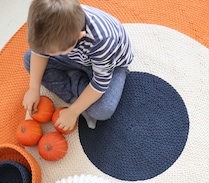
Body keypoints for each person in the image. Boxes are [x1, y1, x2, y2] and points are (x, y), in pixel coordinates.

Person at [22, 0, 133, 129]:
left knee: (103, 110)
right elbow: (39, 52)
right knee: (29, 59)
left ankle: (76, 82)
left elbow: (100, 84)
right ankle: (78, 90)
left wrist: (73, 111)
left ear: (79, 37)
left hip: (112, 66)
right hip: (77, 57)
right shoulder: (48, 25)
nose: (48, 54)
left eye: (53, 52)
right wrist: (33, 89)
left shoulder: (103, 41)